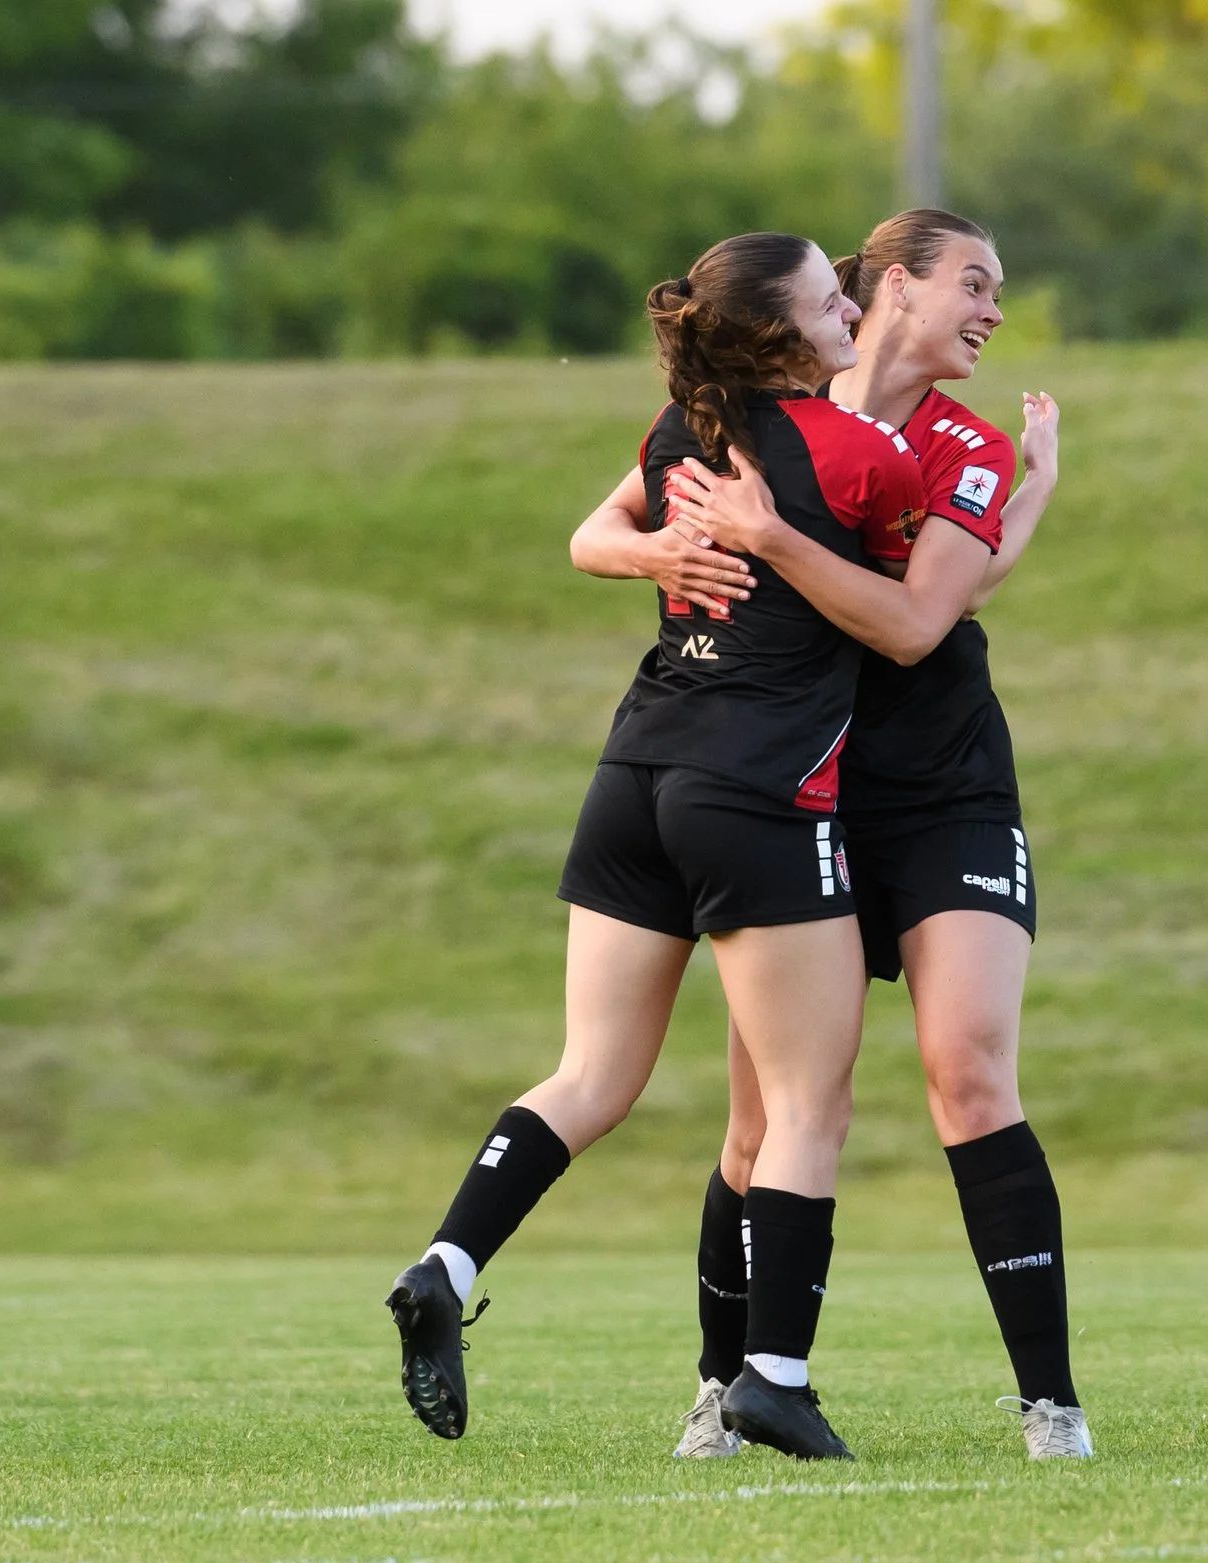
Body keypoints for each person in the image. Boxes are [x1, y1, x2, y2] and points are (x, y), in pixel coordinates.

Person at [387, 231, 986, 1461]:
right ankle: (772, 1374)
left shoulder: (678, 435)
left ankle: (447, 1260)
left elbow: (589, 533)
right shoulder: (866, 454)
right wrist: (1018, 503)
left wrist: (652, 545)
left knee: (592, 1074)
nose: (851, 315)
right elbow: (926, 611)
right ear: (780, 334)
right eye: (832, 301)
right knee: (806, 1102)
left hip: (634, 772)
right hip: (757, 790)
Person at [597, 209, 1089, 1462]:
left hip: (940, 790)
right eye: (972, 283)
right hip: (795, 792)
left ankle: (1052, 1405)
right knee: (760, 1122)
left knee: (967, 1069)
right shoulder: (758, 415)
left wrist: (1018, 495)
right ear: (886, 293)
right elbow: (603, 528)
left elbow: (925, 620)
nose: (989, 309)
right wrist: (666, 545)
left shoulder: (959, 444)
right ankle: (725, 1388)